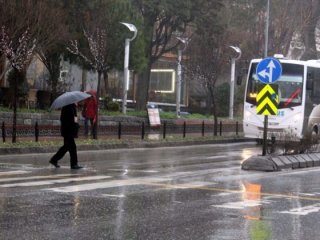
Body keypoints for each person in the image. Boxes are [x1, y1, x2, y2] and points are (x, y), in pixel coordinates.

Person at [50, 103, 83, 169]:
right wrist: (75, 124)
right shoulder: (69, 107)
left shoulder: (71, 106)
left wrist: (76, 123)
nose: (77, 101)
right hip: (68, 131)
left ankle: (54, 160)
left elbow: (74, 118)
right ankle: (74, 164)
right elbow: (70, 119)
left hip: (68, 131)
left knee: (66, 147)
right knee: (72, 147)